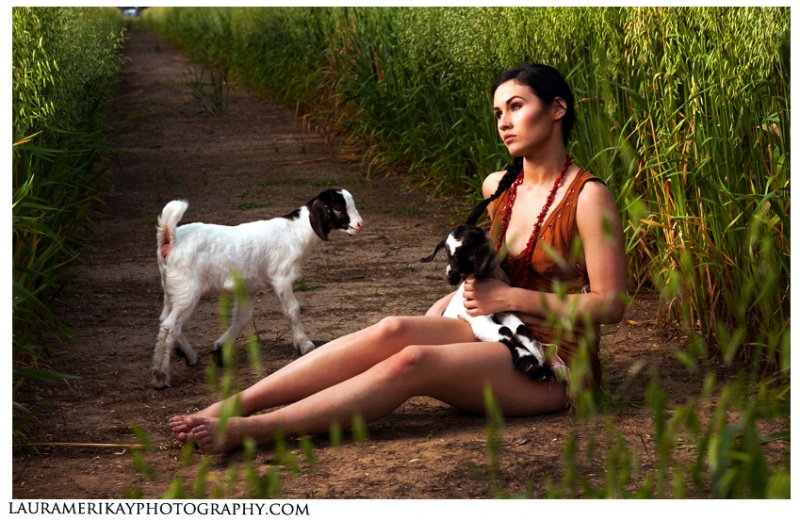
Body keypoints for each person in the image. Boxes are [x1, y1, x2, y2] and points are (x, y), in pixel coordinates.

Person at [169, 63, 627, 454]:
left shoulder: (588, 197)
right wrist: (456, 304)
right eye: (497, 112)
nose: (503, 121)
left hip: (551, 359)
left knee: (412, 362)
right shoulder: (499, 187)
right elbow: (488, 268)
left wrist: (509, 295)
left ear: (557, 109)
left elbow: (610, 305)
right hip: (494, 325)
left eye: (516, 106)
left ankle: (253, 430)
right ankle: (236, 405)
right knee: (393, 328)